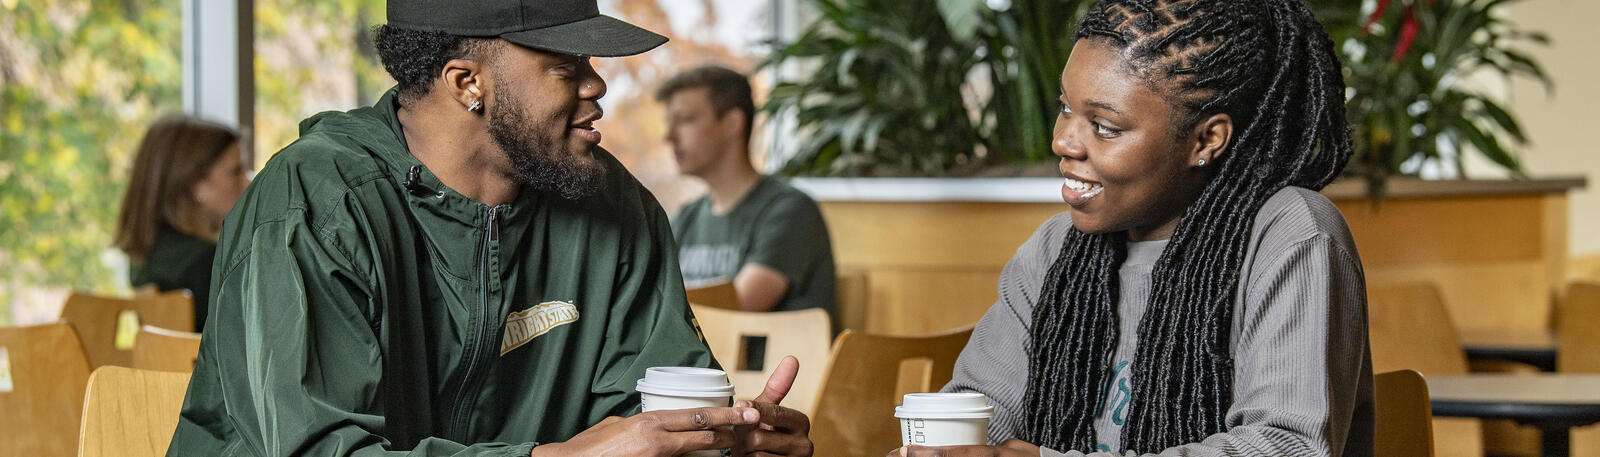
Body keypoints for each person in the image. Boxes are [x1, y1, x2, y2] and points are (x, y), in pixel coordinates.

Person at [167, 2, 813, 456]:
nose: (598, 83)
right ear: (466, 82)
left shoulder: (617, 211)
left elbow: (656, 423)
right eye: (564, 64)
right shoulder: (312, 207)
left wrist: (728, 441)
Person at [900, 0, 1373, 456]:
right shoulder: (1054, 251)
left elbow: (1288, 446)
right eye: (1066, 108)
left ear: (1206, 139)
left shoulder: (1290, 235)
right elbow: (970, 429)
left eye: (1104, 126)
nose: (1063, 141)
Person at [656, 66, 837, 319]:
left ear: (732, 123)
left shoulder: (790, 210)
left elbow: (733, 311)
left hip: (767, 360)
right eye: (669, 123)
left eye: (684, 119)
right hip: (696, 358)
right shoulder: (686, 218)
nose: (669, 136)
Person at [113, 114, 249, 331]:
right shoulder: (209, 264)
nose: (248, 181)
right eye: (235, 172)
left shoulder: (143, 261)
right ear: (196, 185)